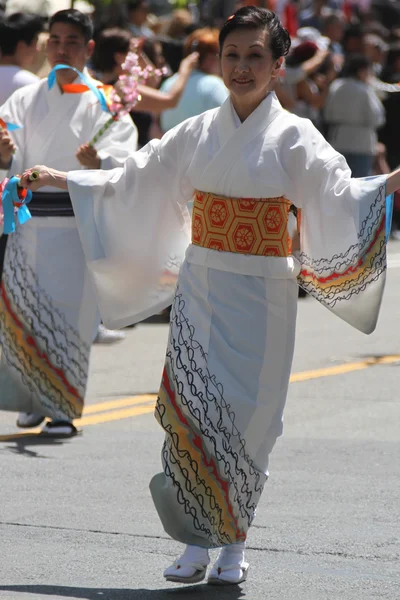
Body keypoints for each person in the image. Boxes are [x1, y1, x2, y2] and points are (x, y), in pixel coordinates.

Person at [19, 6, 398, 585]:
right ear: (220, 60)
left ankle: (233, 544)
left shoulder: (297, 136)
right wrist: (63, 178)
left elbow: (343, 196)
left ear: (277, 67)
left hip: (266, 293)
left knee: (251, 421)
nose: (241, 67)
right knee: (192, 410)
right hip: (201, 288)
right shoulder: (197, 132)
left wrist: (392, 183)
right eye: (232, 55)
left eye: (254, 57)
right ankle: (196, 542)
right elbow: (133, 179)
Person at [0, 9, 138, 437]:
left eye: (72, 41)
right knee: (25, 313)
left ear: (88, 48)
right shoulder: (24, 99)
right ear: (46, 45)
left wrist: (100, 162)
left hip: (75, 226)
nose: (62, 48)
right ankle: (30, 400)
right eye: (55, 40)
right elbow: (11, 160)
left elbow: (128, 162)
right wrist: (5, 153)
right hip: (27, 224)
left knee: (68, 318)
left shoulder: (108, 100)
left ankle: (61, 407)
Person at [0, 13, 44, 286]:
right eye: (36, 43)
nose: (38, 50)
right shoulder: (30, 84)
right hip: (11, 186)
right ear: (22, 46)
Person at [324, 54, 385, 177]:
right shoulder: (364, 89)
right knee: (359, 182)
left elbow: (327, 113)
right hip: (361, 143)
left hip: (339, 139)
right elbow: (376, 118)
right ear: (361, 71)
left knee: (339, 180)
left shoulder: (336, 85)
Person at [160, 28, 228, 132]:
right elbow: (228, 124)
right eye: (219, 54)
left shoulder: (168, 83)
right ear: (209, 58)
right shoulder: (215, 85)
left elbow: (156, 125)